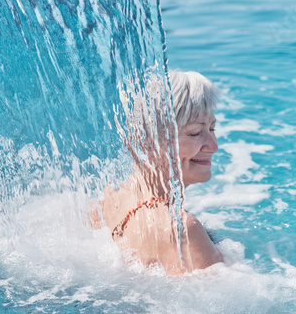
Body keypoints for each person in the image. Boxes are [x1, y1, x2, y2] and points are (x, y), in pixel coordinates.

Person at [91, 70, 223, 275]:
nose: (213, 146)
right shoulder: (182, 231)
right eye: (195, 132)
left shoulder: (104, 205)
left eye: (212, 129)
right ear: (148, 141)